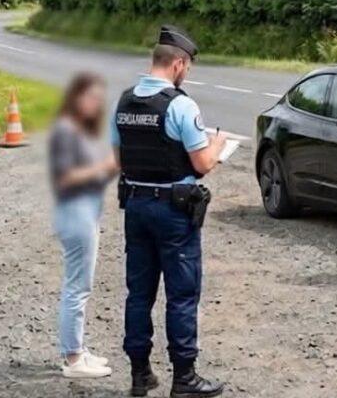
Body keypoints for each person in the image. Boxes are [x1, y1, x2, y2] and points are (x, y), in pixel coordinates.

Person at [111, 25, 228, 398]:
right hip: (173, 212)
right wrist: (217, 145)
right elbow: (202, 163)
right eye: (187, 67)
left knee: (139, 293)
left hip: (136, 206)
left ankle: (140, 374)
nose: (186, 74)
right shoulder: (180, 105)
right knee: (182, 293)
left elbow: (119, 161)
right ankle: (184, 377)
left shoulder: (124, 103)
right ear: (178, 64)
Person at [49, 72, 118, 378]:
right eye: (90, 97)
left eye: (99, 99)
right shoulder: (66, 130)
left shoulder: (80, 130)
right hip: (75, 212)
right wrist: (103, 166)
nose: (95, 103)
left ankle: (77, 348)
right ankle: (73, 359)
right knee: (77, 287)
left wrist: (109, 168)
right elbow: (65, 177)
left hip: (86, 210)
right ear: (76, 97)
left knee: (81, 285)